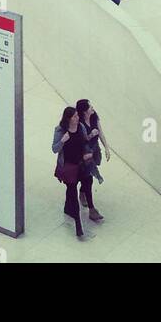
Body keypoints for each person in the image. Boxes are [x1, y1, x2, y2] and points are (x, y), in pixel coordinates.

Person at [52, 106, 93, 240]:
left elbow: (84, 141)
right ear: (68, 118)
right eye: (75, 116)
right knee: (72, 191)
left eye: (77, 115)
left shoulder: (80, 127)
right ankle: (78, 224)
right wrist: (63, 140)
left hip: (81, 163)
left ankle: (69, 208)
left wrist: (88, 151)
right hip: (69, 166)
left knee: (88, 181)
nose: (77, 118)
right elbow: (54, 149)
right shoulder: (60, 130)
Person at [76, 98, 109, 218]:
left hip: (94, 150)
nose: (92, 108)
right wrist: (90, 135)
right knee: (88, 175)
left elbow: (100, 132)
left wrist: (106, 147)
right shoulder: (79, 123)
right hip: (85, 152)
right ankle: (91, 207)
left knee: (89, 174)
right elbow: (80, 141)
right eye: (90, 107)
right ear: (84, 111)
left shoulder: (94, 116)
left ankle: (82, 191)